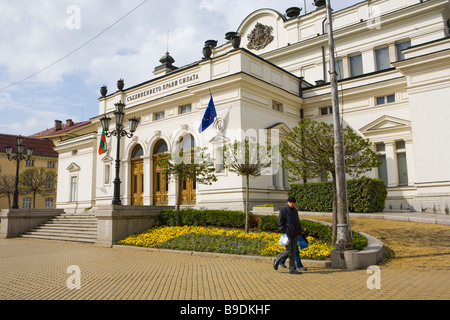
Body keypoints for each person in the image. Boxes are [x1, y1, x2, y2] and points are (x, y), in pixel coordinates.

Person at [273, 196, 302, 274]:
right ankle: (277, 260)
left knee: (293, 253)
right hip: (288, 234)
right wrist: (284, 232)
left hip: (295, 234)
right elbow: (280, 222)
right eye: (290, 203)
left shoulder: (295, 211)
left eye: (293, 203)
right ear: (288, 202)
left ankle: (292, 269)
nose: (292, 204)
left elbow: (297, 222)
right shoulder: (283, 210)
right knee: (288, 250)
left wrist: (299, 231)